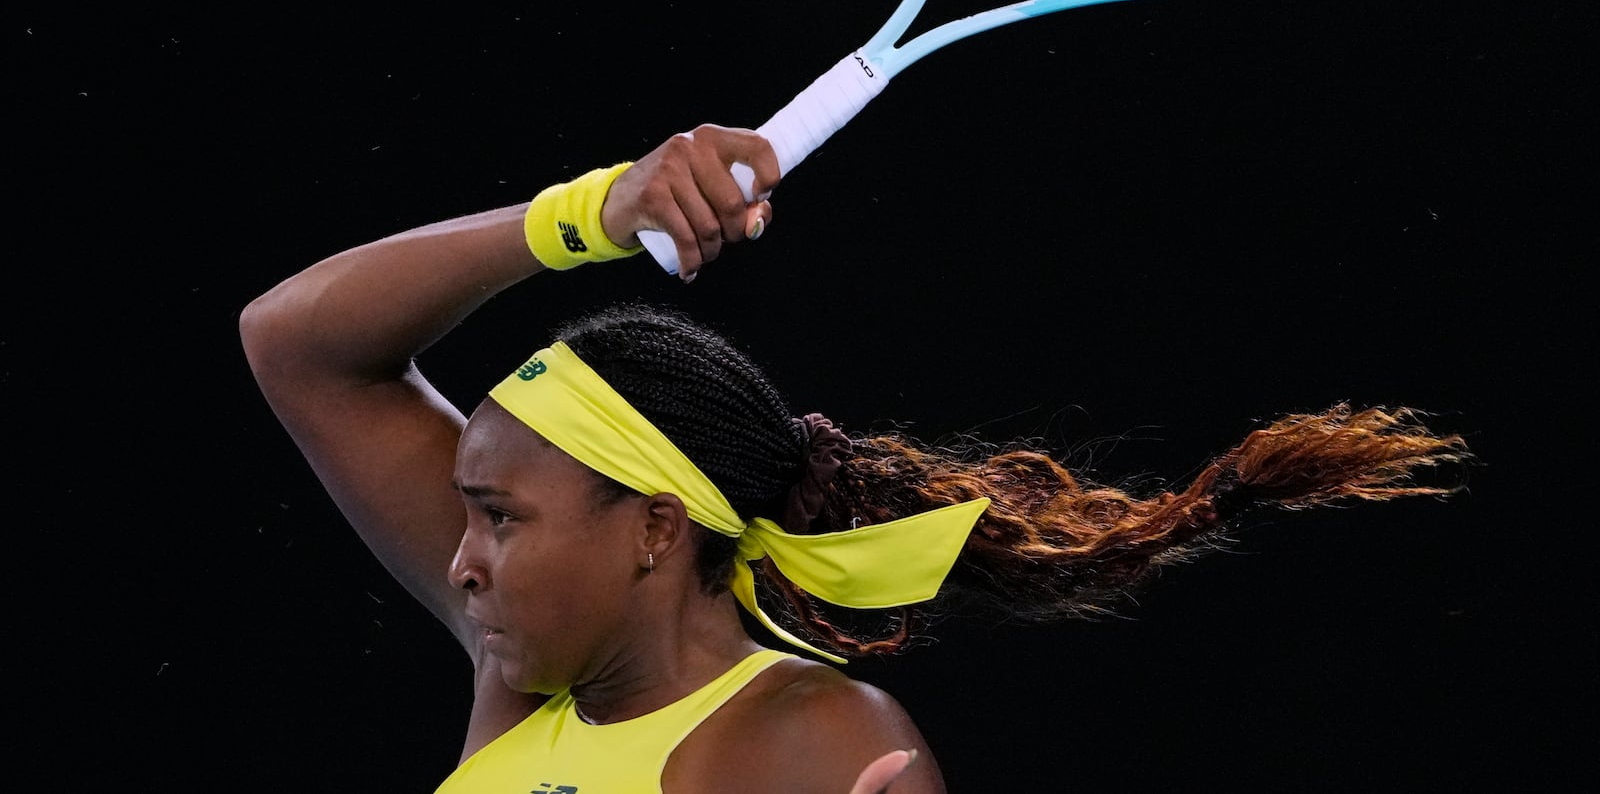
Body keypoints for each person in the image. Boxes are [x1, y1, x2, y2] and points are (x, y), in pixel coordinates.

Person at [240, 124, 1472, 793]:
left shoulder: (812, 741)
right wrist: (594, 210)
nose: (460, 561)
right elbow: (297, 342)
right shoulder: (525, 678)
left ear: (655, 528)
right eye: (469, 514)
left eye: (500, 516)